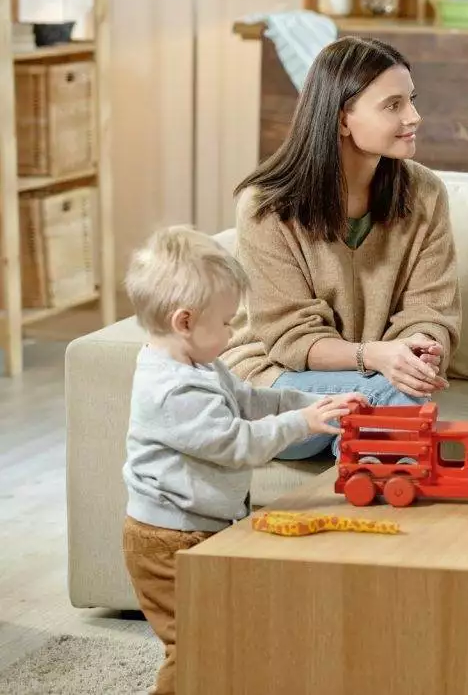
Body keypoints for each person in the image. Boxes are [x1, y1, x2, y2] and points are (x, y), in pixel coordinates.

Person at [121, 226, 359, 695]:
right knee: (192, 645)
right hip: (167, 541)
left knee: (226, 635)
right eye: (227, 322)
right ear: (184, 322)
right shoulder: (171, 389)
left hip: (202, 528)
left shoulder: (203, 365)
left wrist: (312, 403)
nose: (234, 333)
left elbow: (251, 401)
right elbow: (236, 443)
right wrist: (302, 425)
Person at [222, 36, 461, 459]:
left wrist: (418, 349)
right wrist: (376, 357)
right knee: (391, 400)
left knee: (393, 399)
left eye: (412, 100)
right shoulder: (266, 206)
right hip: (275, 384)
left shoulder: (425, 194)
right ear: (342, 119)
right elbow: (290, 338)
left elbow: (430, 309)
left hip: (374, 377)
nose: (414, 117)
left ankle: (366, 491)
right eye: (393, 105)